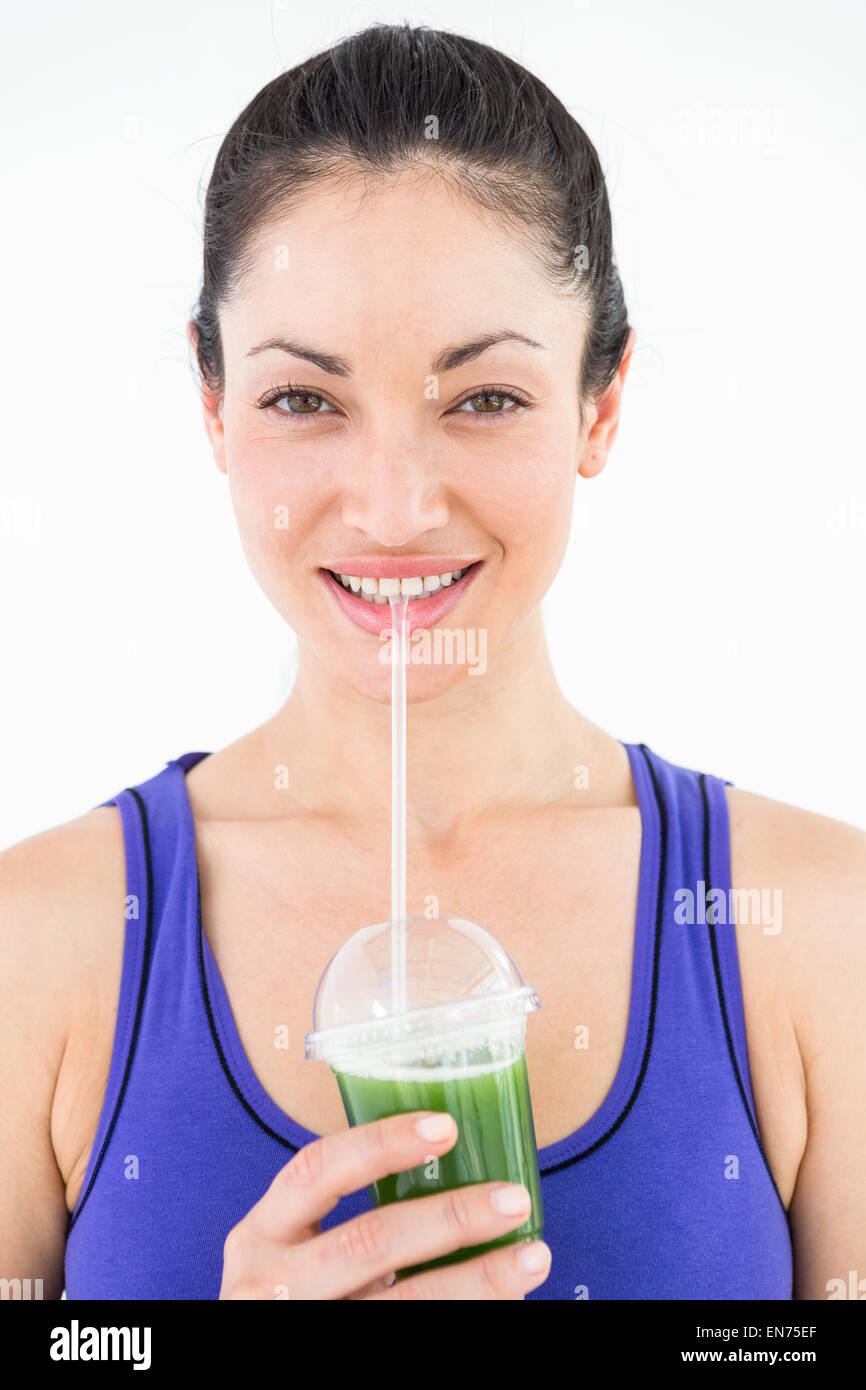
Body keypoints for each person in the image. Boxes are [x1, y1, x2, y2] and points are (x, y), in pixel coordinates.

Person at [2, 22, 863, 1302]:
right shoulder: (39, 945)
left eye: (484, 397)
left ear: (599, 404)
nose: (395, 507)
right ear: (212, 409)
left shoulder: (814, 931)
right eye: (304, 398)